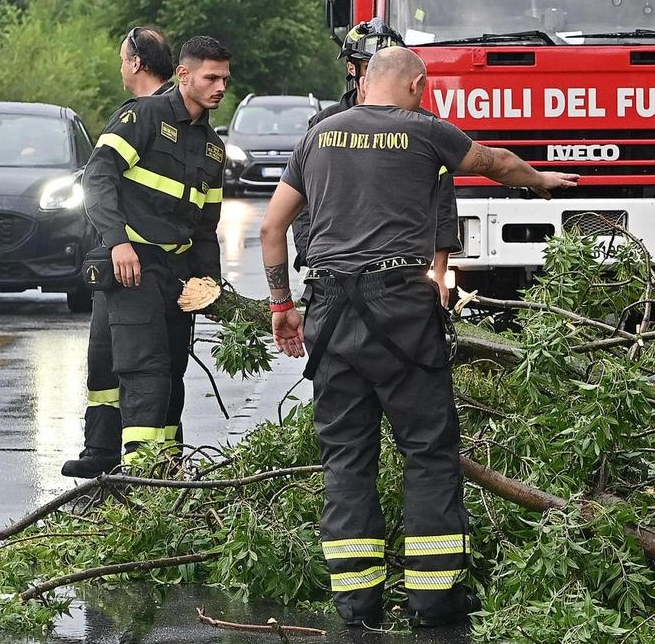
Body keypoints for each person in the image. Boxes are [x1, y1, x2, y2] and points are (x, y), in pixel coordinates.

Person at [259, 46, 578, 628]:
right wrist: (541, 181)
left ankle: (358, 608)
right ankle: (434, 605)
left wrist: (282, 303)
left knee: (347, 460)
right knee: (428, 455)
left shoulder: (318, 138)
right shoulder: (424, 131)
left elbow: (272, 225)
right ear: (417, 84)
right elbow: (497, 162)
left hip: (329, 309)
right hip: (400, 307)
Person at [65, 36, 229, 477]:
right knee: (145, 369)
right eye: (210, 77)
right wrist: (118, 241)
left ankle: (167, 469)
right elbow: (97, 176)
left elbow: (206, 228)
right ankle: (142, 477)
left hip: (176, 273)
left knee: (171, 372)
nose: (219, 87)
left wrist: (209, 282)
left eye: (224, 79)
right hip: (133, 263)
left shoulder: (214, 147)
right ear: (183, 75)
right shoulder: (146, 116)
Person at [291, 18, 461, 305]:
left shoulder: (423, 126)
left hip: (400, 277)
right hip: (332, 275)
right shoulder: (324, 124)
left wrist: (440, 275)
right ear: (352, 69)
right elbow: (301, 202)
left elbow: (442, 204)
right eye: (371, 68)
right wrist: (315, 259)